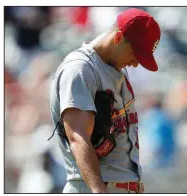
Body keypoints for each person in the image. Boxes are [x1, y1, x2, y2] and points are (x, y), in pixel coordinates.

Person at [49, 8, 161, 193]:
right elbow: (78, 138)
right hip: (95, 188)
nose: (136, 63)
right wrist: (98, 190)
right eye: (136, 54)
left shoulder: (116, 69)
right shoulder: (81, 69)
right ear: (118, 38)